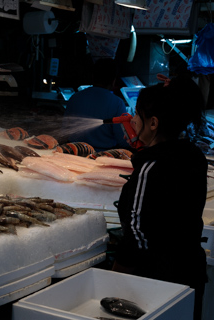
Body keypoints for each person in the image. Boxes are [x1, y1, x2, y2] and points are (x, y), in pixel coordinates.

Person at [112, 75, 207, 320]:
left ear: (153, 123)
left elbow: (137, 233)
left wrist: (114, 276)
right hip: (190, 274)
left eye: (137, 114)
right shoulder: (193, 156)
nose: (132, 120)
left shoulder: (151, 167)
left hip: (156, 281)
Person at [63, 58, 131, 151]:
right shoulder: (117, 103)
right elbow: (123, 140)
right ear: (113, 80)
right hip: (103, 156)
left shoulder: (75, 98)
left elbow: (65, 131)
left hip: (75, 152)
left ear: (93, 76)